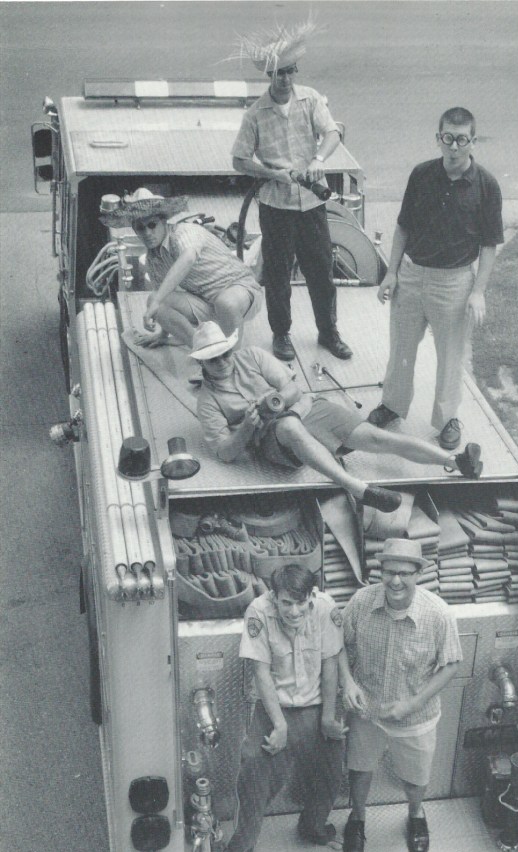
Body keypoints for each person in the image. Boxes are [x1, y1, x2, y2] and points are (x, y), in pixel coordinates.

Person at [191, 321, 483, 514]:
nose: (222, 362)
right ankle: (357, 487)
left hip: (304, 409)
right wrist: (246, 427)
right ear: (202, 363)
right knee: (290, 427)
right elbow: (225, 452)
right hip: (271, 438)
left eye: (225, 353)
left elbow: (292, 388)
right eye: (213, 359)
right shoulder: (207, 401)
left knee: (376, 437)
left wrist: (276, 403)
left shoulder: (252, 355)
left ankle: (455, 462)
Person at [368, 107, 504, 451]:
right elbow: (403, 226)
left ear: (472, 141)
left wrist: (478, 292)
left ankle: (447, 420)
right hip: (412, 276)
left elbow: (489, 246)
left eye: (461, 140)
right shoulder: (421, 175)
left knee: (451, 356)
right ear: (438, 139)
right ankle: (392, 405)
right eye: (448, 138)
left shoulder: (487, 186)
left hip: (454, 283)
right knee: (401, 347)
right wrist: (392, 273)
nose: (454, 147)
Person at [231, 21, 353, 362]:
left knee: (321, 272)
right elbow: (239, 160)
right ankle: (281, 334)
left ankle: (329, 332)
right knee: (278, 274)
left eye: (290, 72)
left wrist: (317, 159)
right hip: (276, 206)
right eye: (279, 74)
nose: (285, 79)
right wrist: (272, 173)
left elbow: (332, 133)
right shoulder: (255, 114)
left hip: (312, 203)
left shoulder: (311, 99)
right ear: (268, 75)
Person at [217, 564, 346, 852]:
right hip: (273, 707)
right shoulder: (258, 612)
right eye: (286, 602)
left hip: (317, 705)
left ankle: (313, 829)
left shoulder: (326, 608)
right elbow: (261, 674)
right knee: (254, 779)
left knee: (331, 775)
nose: (294, 610)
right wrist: (279, 725)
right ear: (274, 596)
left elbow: (330, 665)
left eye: (301, 602)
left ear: (311, 596)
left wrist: (328, 718)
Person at [338, 538, 463, 852]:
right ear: (380, 571)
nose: (396, 580)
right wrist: (348, 682)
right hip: (367, 711)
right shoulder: (360, 602)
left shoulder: (438, 614)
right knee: (360, 769)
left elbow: (451, 664)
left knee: (416, 777)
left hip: (415, 717)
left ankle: (417, 815)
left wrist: (412, 704)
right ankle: (357, 818)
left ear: (418, 574)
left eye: (405, 573)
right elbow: (337, 646)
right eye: (390, 571)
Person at [100, 188, 262, 349]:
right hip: (208, 305)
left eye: (152, 224)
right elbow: (162, 299)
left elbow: (188, 258)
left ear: (164, 222)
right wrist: (163, 334)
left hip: (242, 293)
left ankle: (234, 358)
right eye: (141, 228)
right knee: (154, 300)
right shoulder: (153, 259)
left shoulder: (184, 232)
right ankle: (204, 350)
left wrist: (156, 301)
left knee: (225, 302)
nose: (147, 232)